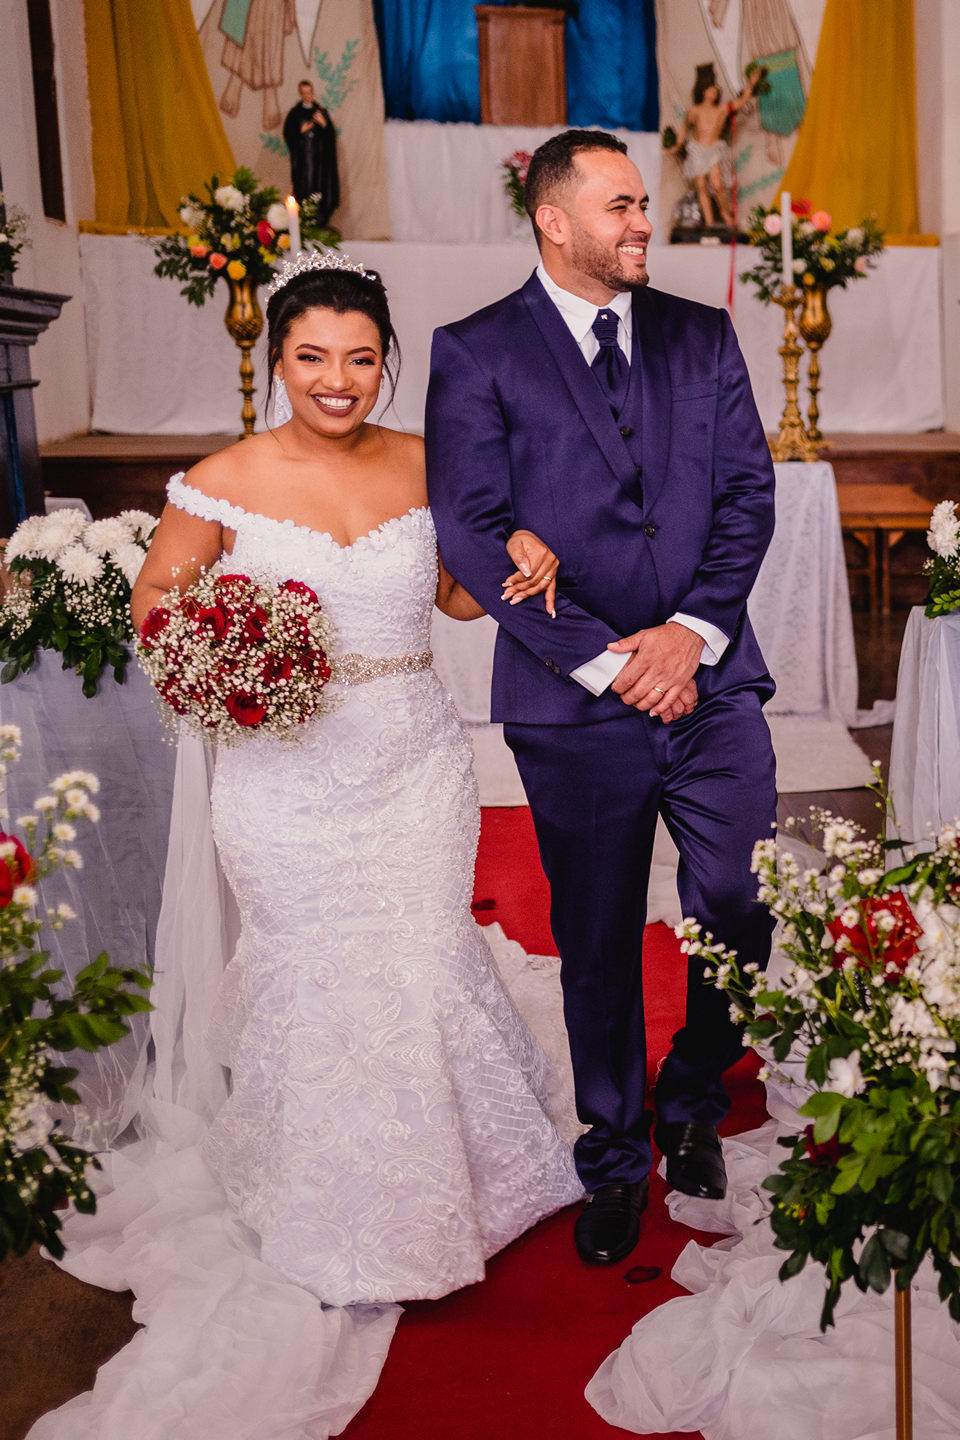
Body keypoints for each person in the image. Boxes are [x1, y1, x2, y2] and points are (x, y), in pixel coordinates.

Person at [129, 251, 583, 1308]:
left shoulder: (430, 462)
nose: (337, 381)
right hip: (281, 776)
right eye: (312, 358)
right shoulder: (221, 480)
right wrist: (231, 655)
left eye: (361, 359)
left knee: (420, 952)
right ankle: (326, 1197)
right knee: (317, 968)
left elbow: (458, 598)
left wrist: (526, 556)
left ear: (387, 364)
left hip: (413, 758)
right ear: (277, 360)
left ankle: (447, 1189)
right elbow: (156, 601)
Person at [425, 129, 778, 1269]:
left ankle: (693, 1093)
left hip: (709, 680)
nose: (642, 222)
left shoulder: (701, 333)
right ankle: (617, 1153)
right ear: (554, 219)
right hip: (571, 700)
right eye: (620, 205)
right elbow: (472, 528)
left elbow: (748, 496)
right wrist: (609, 661)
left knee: (741, 900)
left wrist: (688, 634)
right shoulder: (476, 351)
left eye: (642, 204)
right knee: (595, 935)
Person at [668, 64, 759, 228]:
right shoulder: (694, 111)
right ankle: (709, 222)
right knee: (701, 185)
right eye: (710, 89)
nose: (713, 92)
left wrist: (751, 84)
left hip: (714, 149)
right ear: (703, 91)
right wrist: (676, 145)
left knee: (717, 184)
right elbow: (684, 130)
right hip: (697, 149)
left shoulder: (722, 109)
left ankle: (725, 213)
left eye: (715, 89)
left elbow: (742, 101)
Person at [282, 79, 340, 222]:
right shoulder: (295, 113)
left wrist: (324, 124)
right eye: (304, 93)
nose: (307, 96)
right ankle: (305, 218)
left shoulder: (320, 112)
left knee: (319, 187)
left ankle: (320, 217)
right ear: (300, 94)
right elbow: (288, 134)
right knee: (304, 187)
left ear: (312, 92)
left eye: (309, 93)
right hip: (303, 161)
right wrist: (300, 131)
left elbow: (330, 136)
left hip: (320, 160)